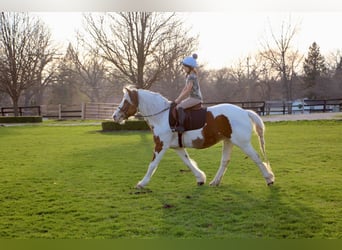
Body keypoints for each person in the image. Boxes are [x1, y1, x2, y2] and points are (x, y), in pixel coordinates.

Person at [174, 53, 203, 133]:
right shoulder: (189, 76)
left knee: (179, 107)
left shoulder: (192, 76)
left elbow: (188, 89)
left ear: (189, 67)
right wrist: (178, 98)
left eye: (184, 66)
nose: (183, 68)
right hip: (192, 97)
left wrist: (179, 100)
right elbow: (185, 88)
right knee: (178, 105)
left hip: (195, 98)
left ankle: (181, 126)